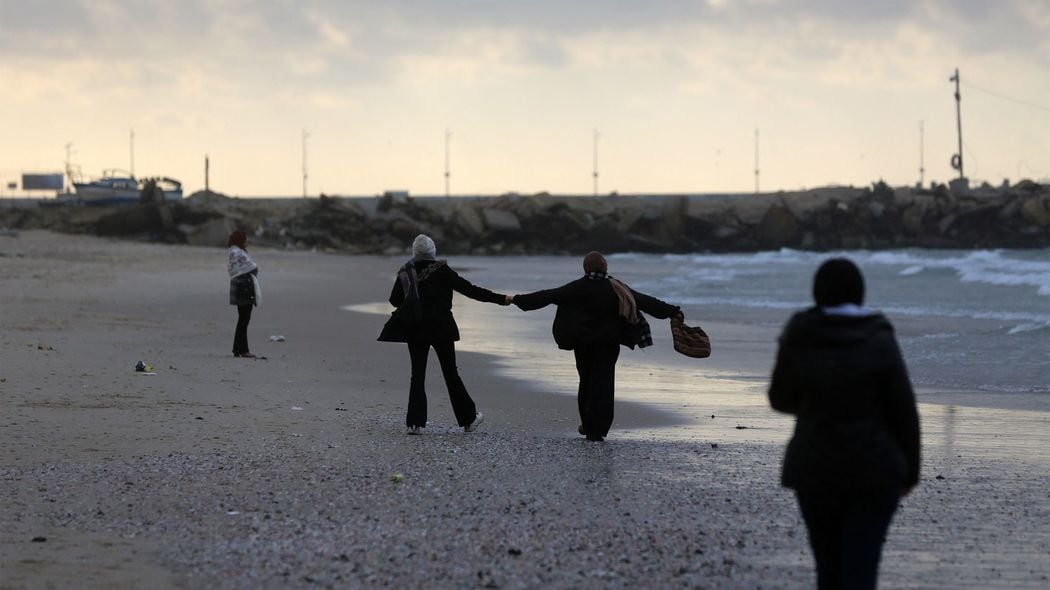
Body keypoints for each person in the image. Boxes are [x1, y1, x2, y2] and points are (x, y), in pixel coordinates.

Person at [768, 258, 921, 590]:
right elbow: (903, 409)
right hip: (875, 468)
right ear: (861, 294)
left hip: (814, 466)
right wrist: (911, 472)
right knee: (861, 571)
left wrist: (814, 404)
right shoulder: (879, 336)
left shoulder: (799, 332)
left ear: (817, 294)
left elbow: (779, 398)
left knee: (829, 569)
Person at [511, 251, 681, 441]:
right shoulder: (618, 288)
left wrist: (516, 300)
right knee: (604, 384)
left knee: (586, 382)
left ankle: (589, 425)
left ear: (585, 268)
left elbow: (548, 295)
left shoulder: (576, 288)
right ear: (606, 267)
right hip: (608, 345)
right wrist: (673, 311)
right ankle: (598, 428)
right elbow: (645, 301)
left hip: (582, 344)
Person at [378, 234, 510, 435]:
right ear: (433, 252)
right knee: (450, 373)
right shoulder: (442, 271)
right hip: (442, 328)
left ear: (415, 253)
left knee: (418, 375)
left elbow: (395, 300)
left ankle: (414, 424)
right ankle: (468, 419)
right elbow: (471, 290)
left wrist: (413, 297)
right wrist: (502, 299)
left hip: (416, 328)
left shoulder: (406, 272)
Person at [227, 229, 259, 358]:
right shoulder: (238, 252)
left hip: (238, 285)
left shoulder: (233, 251)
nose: (247, 241)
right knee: (244, 319)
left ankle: (238, 349)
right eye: (245, 238)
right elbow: (251, 267)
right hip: (244, 287)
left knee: (242, 319)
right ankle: (243, 349)